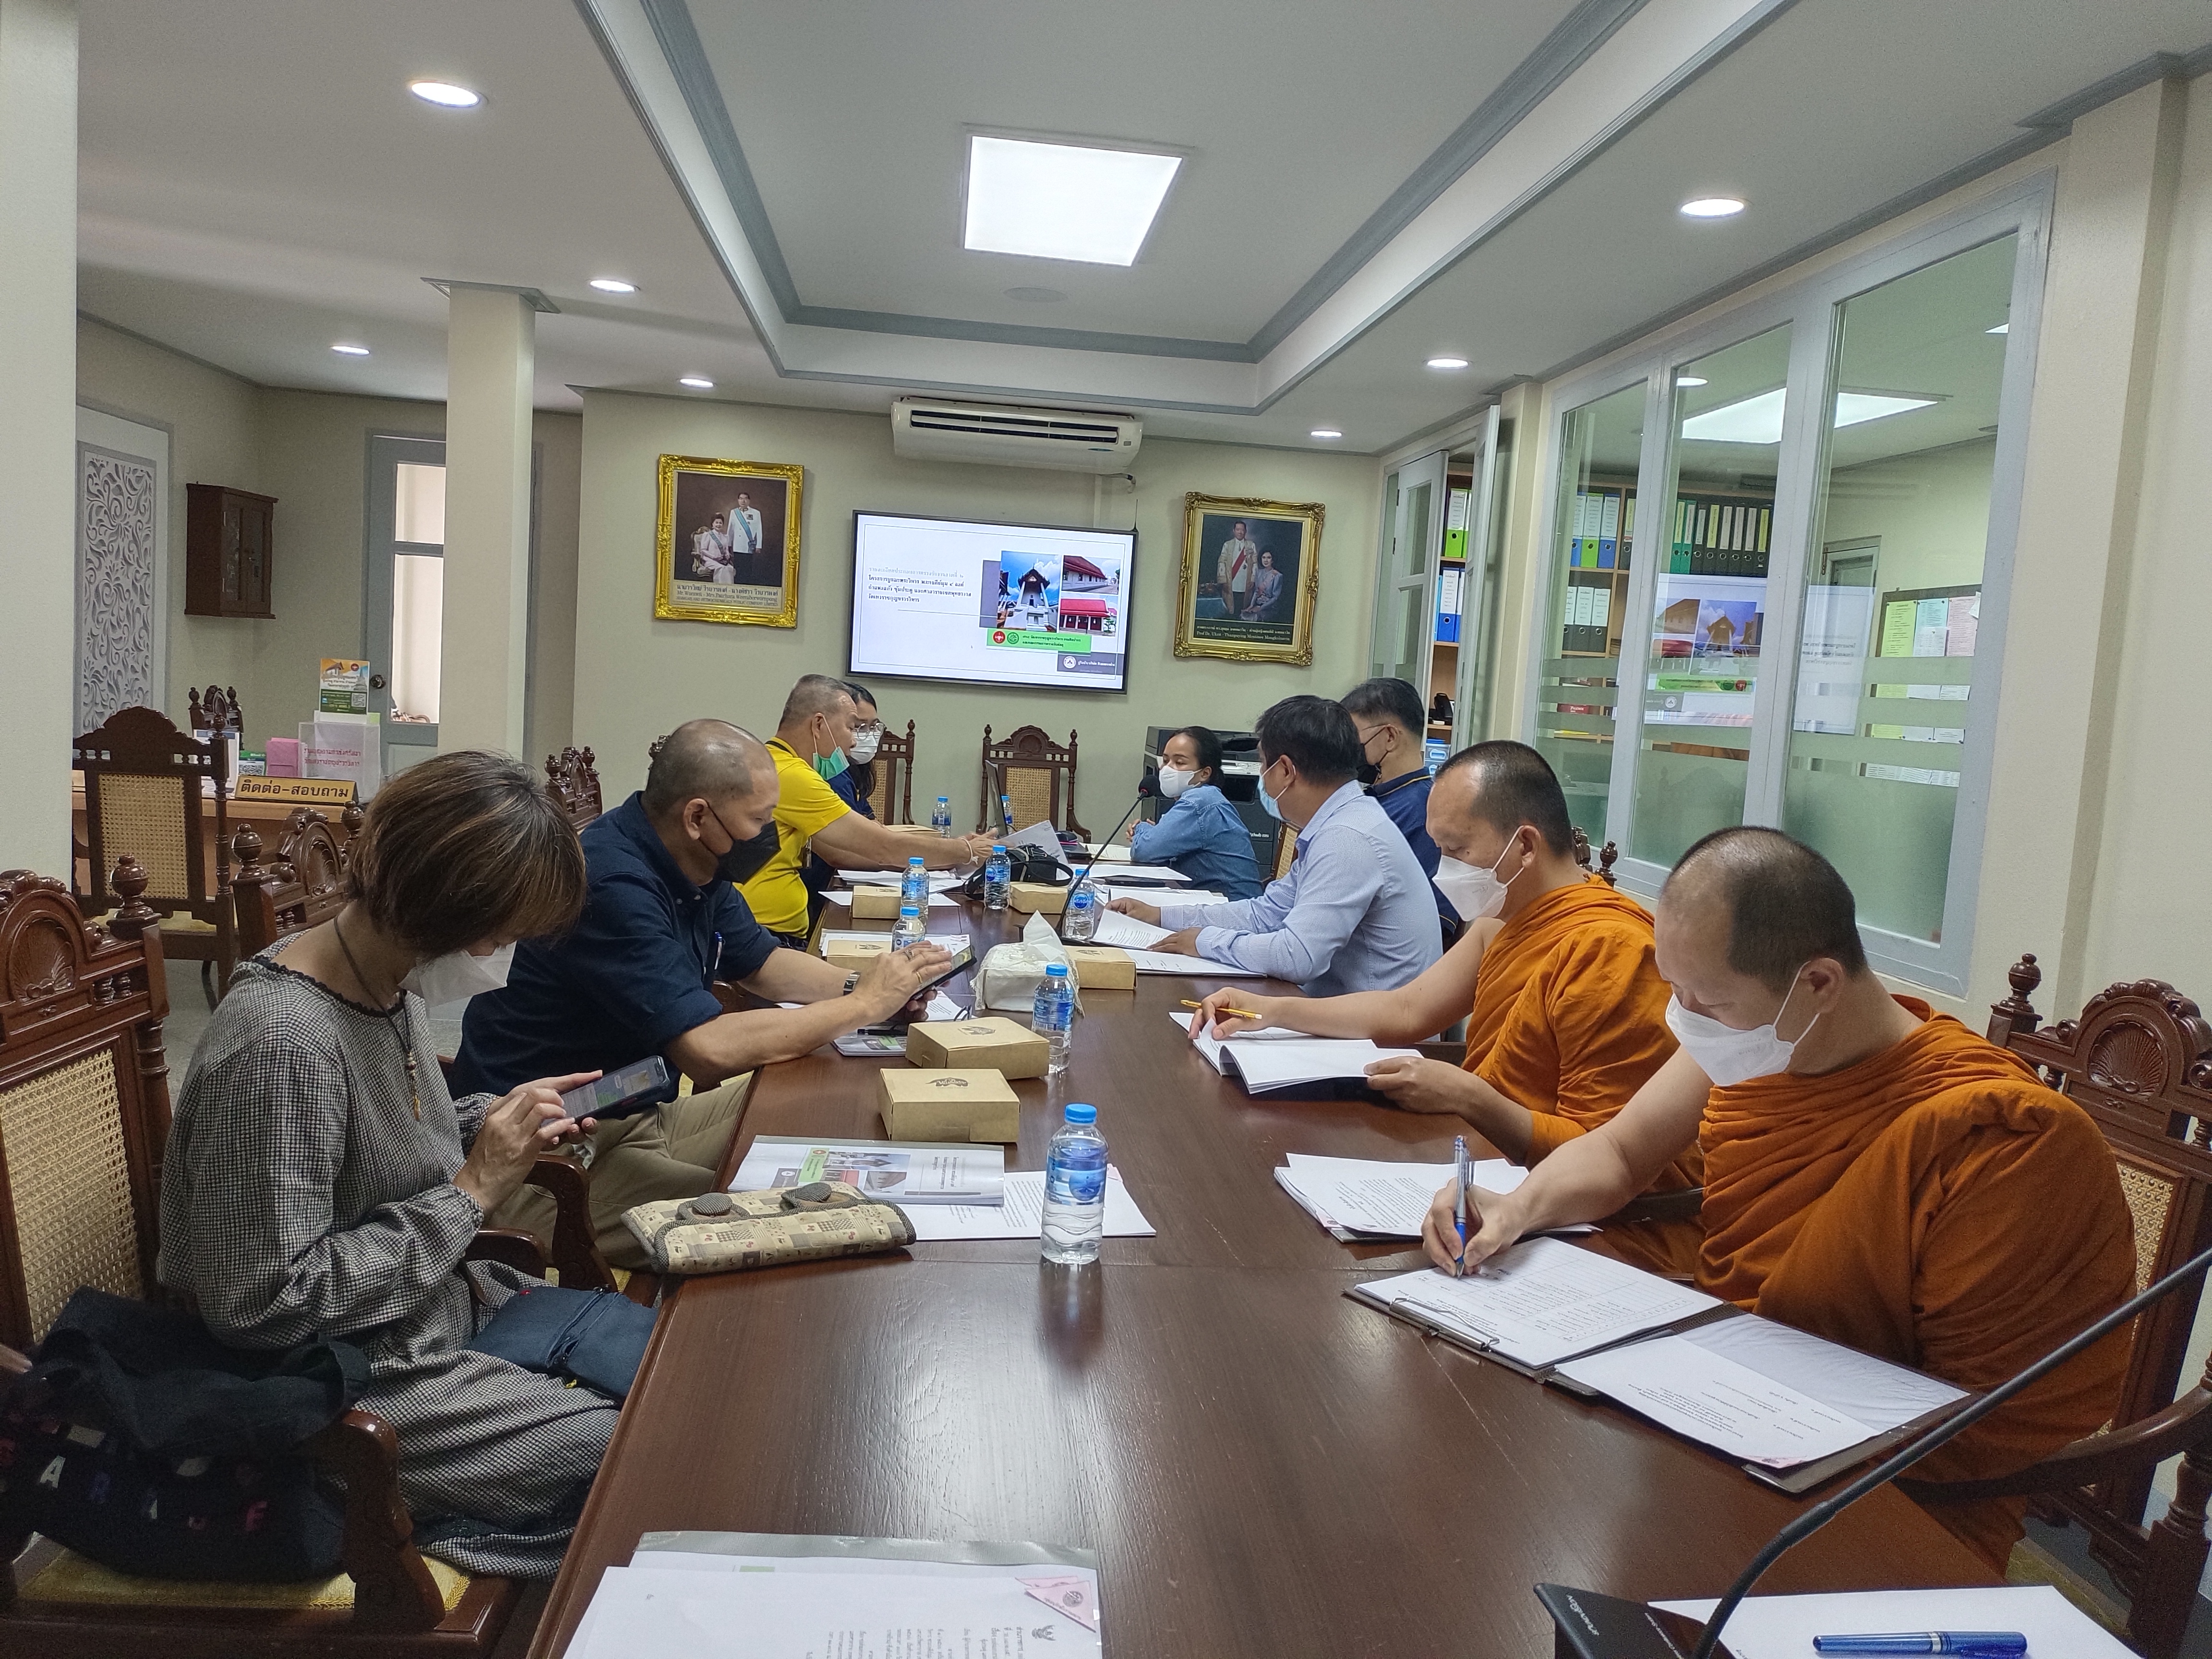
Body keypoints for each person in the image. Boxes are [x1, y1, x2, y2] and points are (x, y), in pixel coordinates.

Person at [1420, 826, 2134, 1568]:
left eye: (1707, 1002)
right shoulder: (1756, 1038)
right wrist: (1518, 1207)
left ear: (1819, 983)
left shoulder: (1997, 1139)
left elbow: (1972, 1422)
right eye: (1676, 990)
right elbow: (1620, 1151)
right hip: (1708, 1408)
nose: (1683, 1020)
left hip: (1872, 1494)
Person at [162, 750, 615, 1579]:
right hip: (341, 1378)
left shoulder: (379, 978)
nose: (499, 953)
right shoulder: (283, 1044)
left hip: (432, 1315)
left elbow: (386, 1144)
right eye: (498, 935)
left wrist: (499, 1125)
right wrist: (472, 1191)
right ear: (440, 913)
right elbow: (260, 1304)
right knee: (638, 1454)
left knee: (664, 1370)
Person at [453, 720, 953, 1265]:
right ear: (697, 817)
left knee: (823, 1090)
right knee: (803, 1220)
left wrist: (872, 987)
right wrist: (863, 1006)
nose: (769, 833)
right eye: (759, 819)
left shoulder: (690, 862)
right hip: (545, 1163)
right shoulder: (612, 883)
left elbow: (763, 964)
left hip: (634, 1113)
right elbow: (706, 1050)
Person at [1190, 741, 1695, 1271]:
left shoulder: (1610, 948)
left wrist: (1470, 1096)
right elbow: (1407, 1010)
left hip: (1584, 1219)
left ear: (1525, 845)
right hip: (1486, 1169)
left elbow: (1606, 1154)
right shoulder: (1500, 922)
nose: (1444, 872)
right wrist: (1271, 1011)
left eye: (1456, 850)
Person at [1108, 696, 1441, 995]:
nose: (1262, 778)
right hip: (1341, 1015)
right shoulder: (1341, 820)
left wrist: (1204, 941)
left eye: (1263, 765)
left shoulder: (1347, 837)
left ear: (1285, 770)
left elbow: (1298, 957)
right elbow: (1266, 913)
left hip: (1372, 1036)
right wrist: (1162, 916)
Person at [740, 674, 984, 943]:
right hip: (766, 935)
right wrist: (965, 851)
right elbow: (883, 846)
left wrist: (953, 850)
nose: (854, 742)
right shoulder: (793, 775)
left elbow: (849, 843)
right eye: (851, 727)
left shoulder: (776, 762)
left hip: (771, 930)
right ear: (819, 725)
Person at [1342, 676, 1458, 933]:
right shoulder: (1378, 798)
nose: (1350, 750)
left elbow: (1436, 923)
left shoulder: (1425, 813)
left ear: (1390, 737)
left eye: (1355, 739)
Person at [1128, 725, 1262, 900]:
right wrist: (1155, 834)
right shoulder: (1202, 798)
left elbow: (1144, 851)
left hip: (1231, 908)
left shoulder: (1200, 801)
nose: (1168, 769)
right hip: (1215, 901)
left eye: (1179, 763)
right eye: (1166, 761)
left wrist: (1142, 829)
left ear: (1205, 773)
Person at [1216, 520, 1258, 618]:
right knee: (1231, 610)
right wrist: (1223, 581)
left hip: (1245, 582)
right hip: (1231, 582)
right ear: (1234, 531)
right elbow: (1222, 563)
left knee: (1244, 610)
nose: (1240, 532)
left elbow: (1255, 564)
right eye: (1238, 530)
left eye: (1242, 530)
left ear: (1246, 531)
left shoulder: (1251, 545)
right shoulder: (1227, 545)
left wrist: (1253, 580)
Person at [1248, 549, 1284, 621]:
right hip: (1258, 604)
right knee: (1244, 615)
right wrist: (1251, 605)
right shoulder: (1259, 573)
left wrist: (1261, 608)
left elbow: (1275, 598)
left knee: (1256, 618)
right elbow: (1257, 592)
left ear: (1273, 560)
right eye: (1264, 558)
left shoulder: (1278, 576)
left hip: (1270, 608)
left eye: (1269, 558)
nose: (1266, 560)